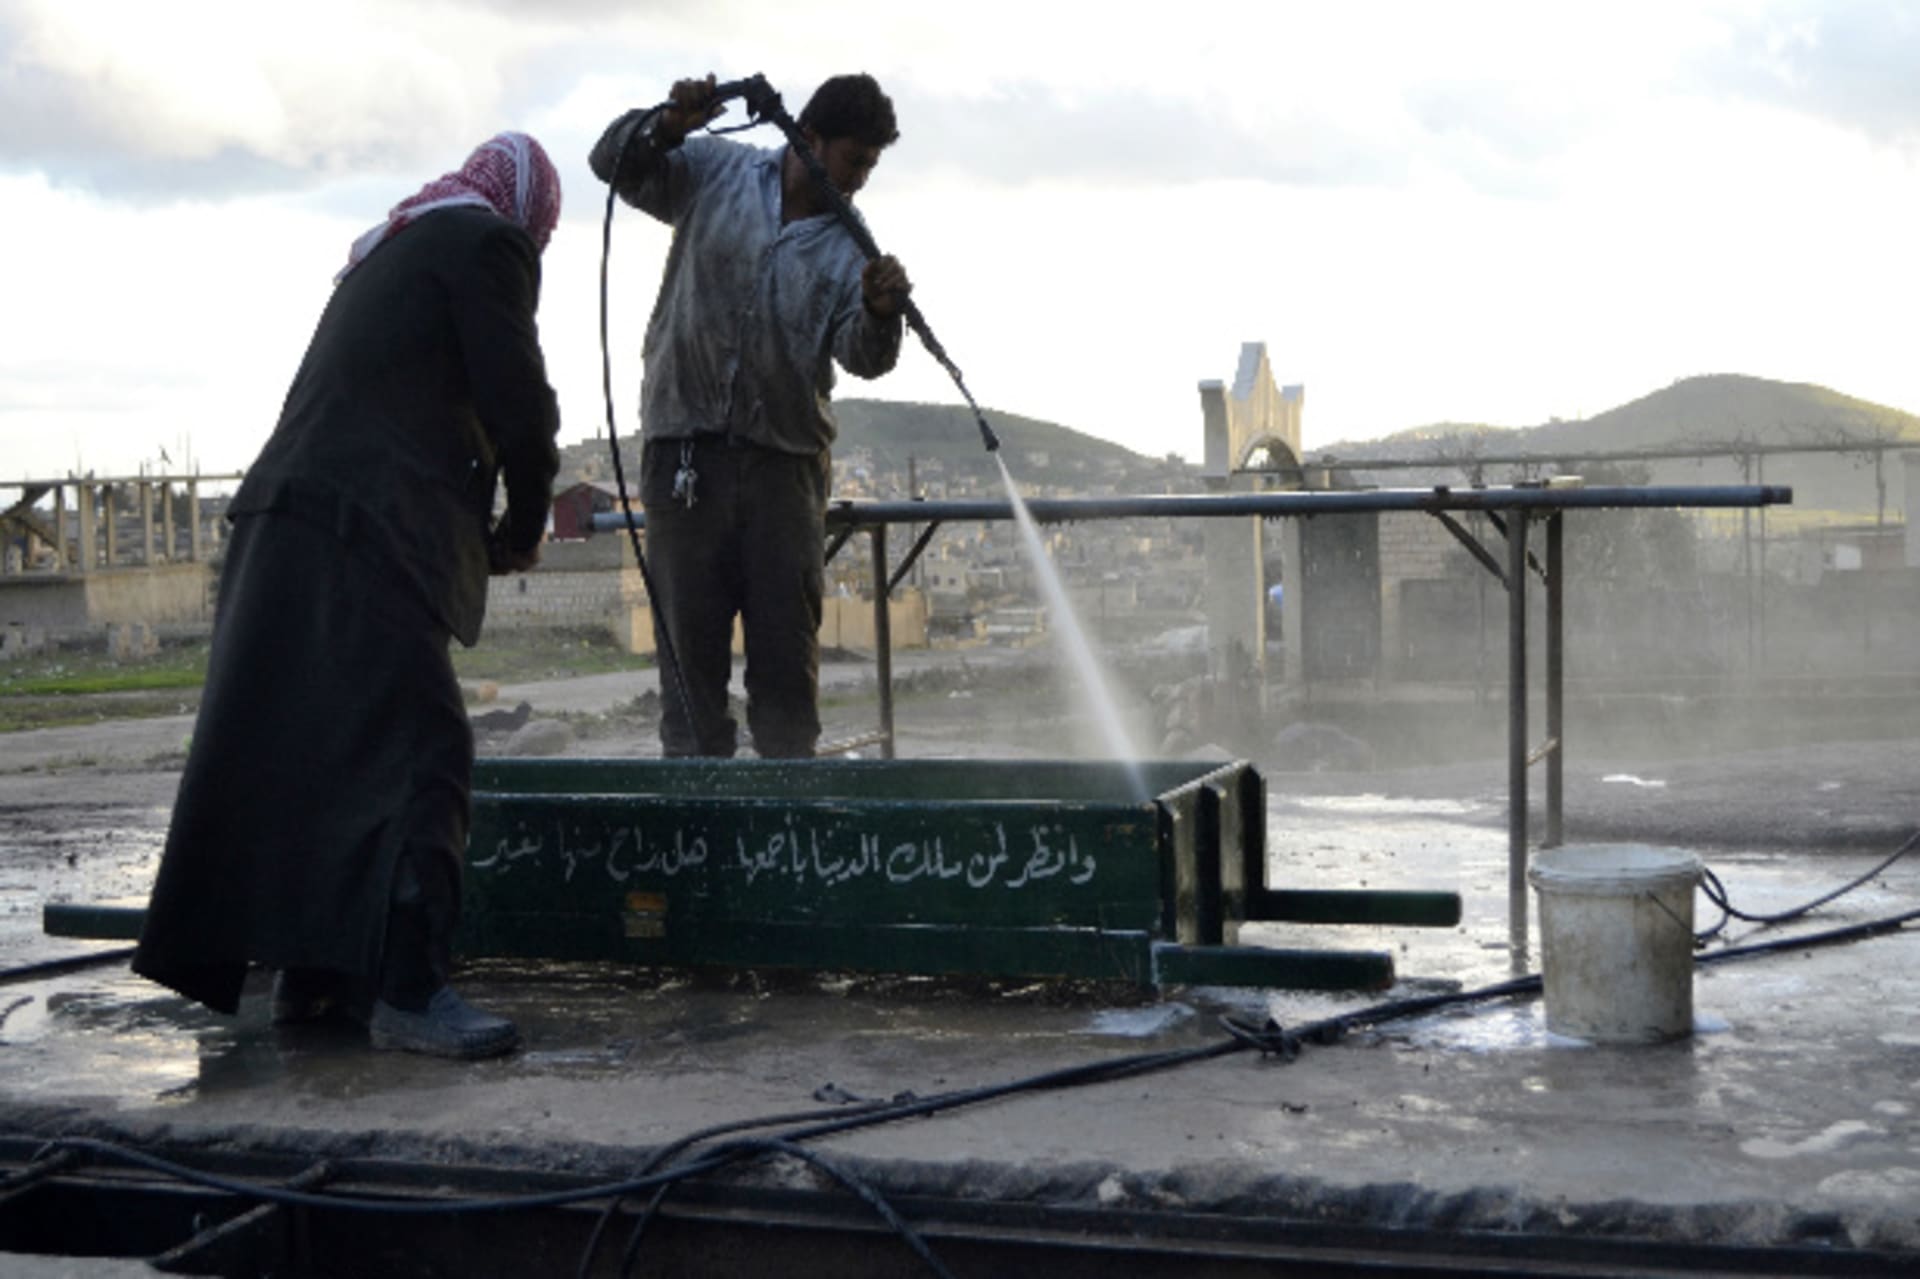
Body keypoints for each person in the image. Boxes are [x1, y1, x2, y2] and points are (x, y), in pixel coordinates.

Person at [131, 133, 563, 1060]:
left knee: (316, 750)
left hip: (285, 522)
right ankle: (409, 986)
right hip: (360, 528)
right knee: (424, 747)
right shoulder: (488, 244)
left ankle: (313, 977)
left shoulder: (389, 250)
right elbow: (519, 406)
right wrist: (524, 525)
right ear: (530, 216)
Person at [590, 73, 911, 759]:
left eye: (870, 168)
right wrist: (669, 123)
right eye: (853, 160)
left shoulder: (851, 246)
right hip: (685, 462)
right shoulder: (714, 170)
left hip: (783, 474)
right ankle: (701, 850)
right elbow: (609, 163)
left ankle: (786, 848)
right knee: (690, 695)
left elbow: (863, 356)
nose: (858, 181)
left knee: (787, 696)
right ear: (809, 137)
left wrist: (882, 314)